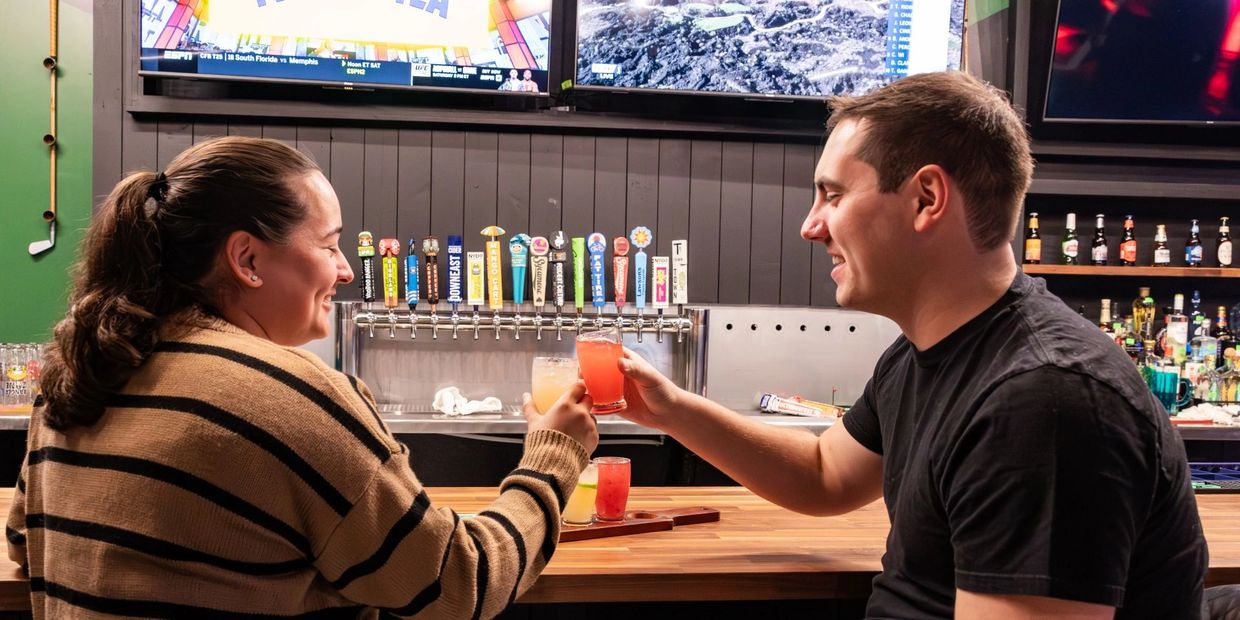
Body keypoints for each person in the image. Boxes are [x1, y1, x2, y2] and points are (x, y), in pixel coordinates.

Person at [616, 72, 1207, 619]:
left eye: (833, 194)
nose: (810, 225)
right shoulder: (924, 352)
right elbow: (826, 475)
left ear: (927, 198)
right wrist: (668, 409)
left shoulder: (1043, 399)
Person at [6, 136, 598, 618]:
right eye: (330, 245)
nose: (344, 272)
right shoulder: (292, 396)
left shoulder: (80, 371)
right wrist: (554, 456)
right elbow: (460, 583)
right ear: (248, 260)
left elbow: (25, 544)